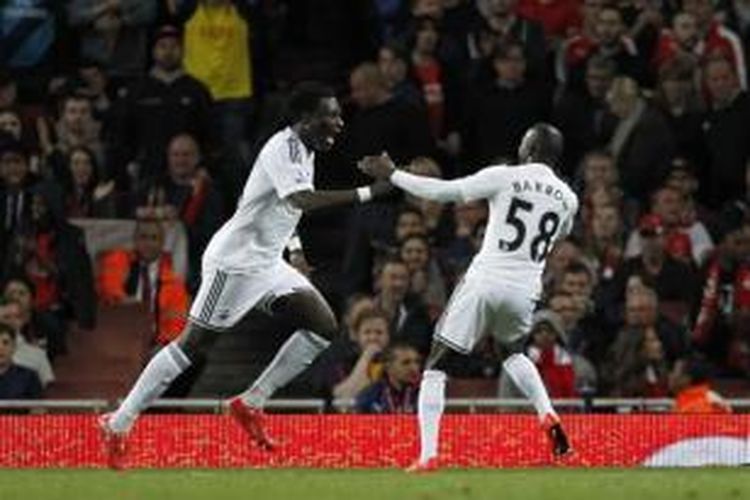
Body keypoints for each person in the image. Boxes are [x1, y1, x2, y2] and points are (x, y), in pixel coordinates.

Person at [98, 82, 389, 469]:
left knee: (322, 326)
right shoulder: (282, 148)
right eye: (330, 115)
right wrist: (371, 192)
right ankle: (119, 423)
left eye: (339, 114)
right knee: (191, 346)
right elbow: (301, 199)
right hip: (234, 263)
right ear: (304, 119)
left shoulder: (306, 149)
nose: (338, 123)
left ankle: (250, 402)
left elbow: (285, 208)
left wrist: (297, 251)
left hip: (268, 262)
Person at [359, 122, 579, 470]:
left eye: (523, 141)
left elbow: (445, 192)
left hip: (486, 278)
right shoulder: (569, 198)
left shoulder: (505, 176)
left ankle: (429, 455)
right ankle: (548, 415)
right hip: (525, 290)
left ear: (531, 149)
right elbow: (561, 233)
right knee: (514, 353)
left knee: (435, 367)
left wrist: (394, 174)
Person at [355, 342, 422, 413]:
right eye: (406, 363)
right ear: (388, 366)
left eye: (417, 362)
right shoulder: (371, 396)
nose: (414, 368)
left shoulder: (423, 393)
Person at [0, 323, 42, 400]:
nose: (1, 348)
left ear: (14, 347)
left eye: (5, 343)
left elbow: (38, 409)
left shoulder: (30, 376)